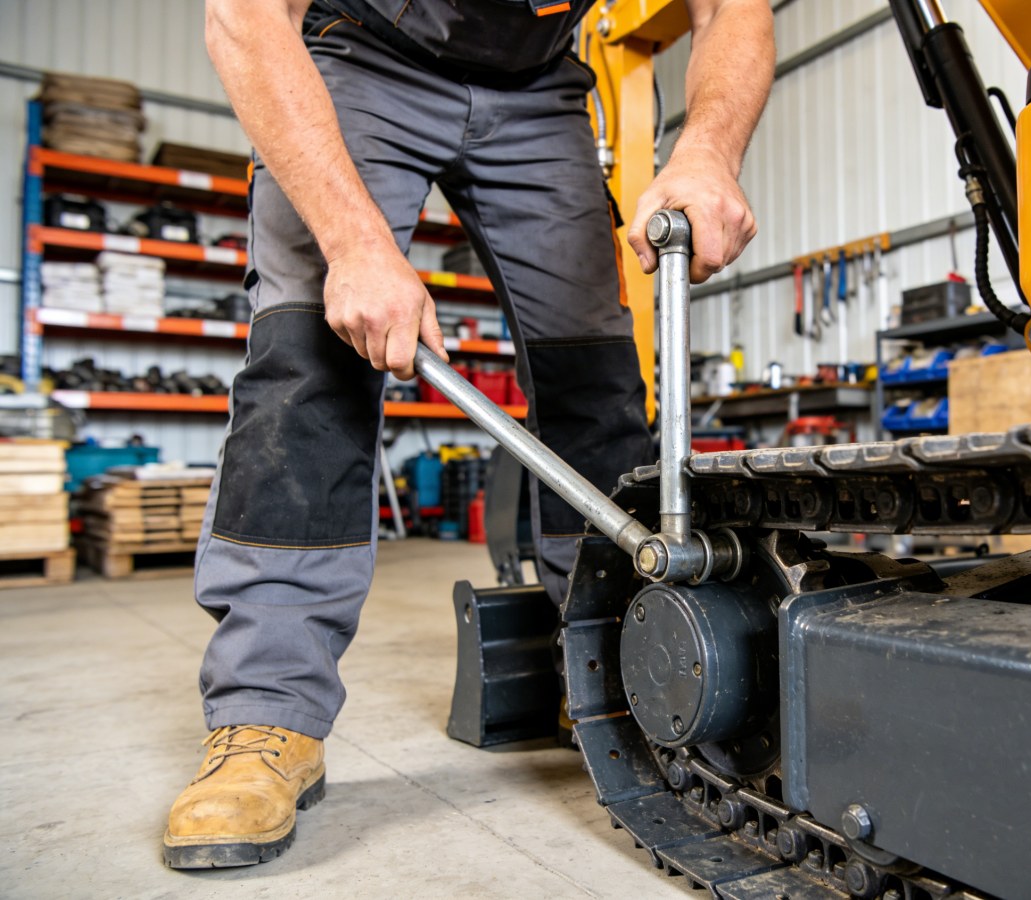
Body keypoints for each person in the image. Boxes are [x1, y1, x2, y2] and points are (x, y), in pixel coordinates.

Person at [163, 0, 774, 869]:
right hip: (361, 57)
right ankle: (266, 716)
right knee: (310, 361)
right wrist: (354, 243)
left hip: (537, 85)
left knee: (593, 377)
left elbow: (731, 10)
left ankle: (611, 673)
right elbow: (243, 16)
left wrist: (709, 150)